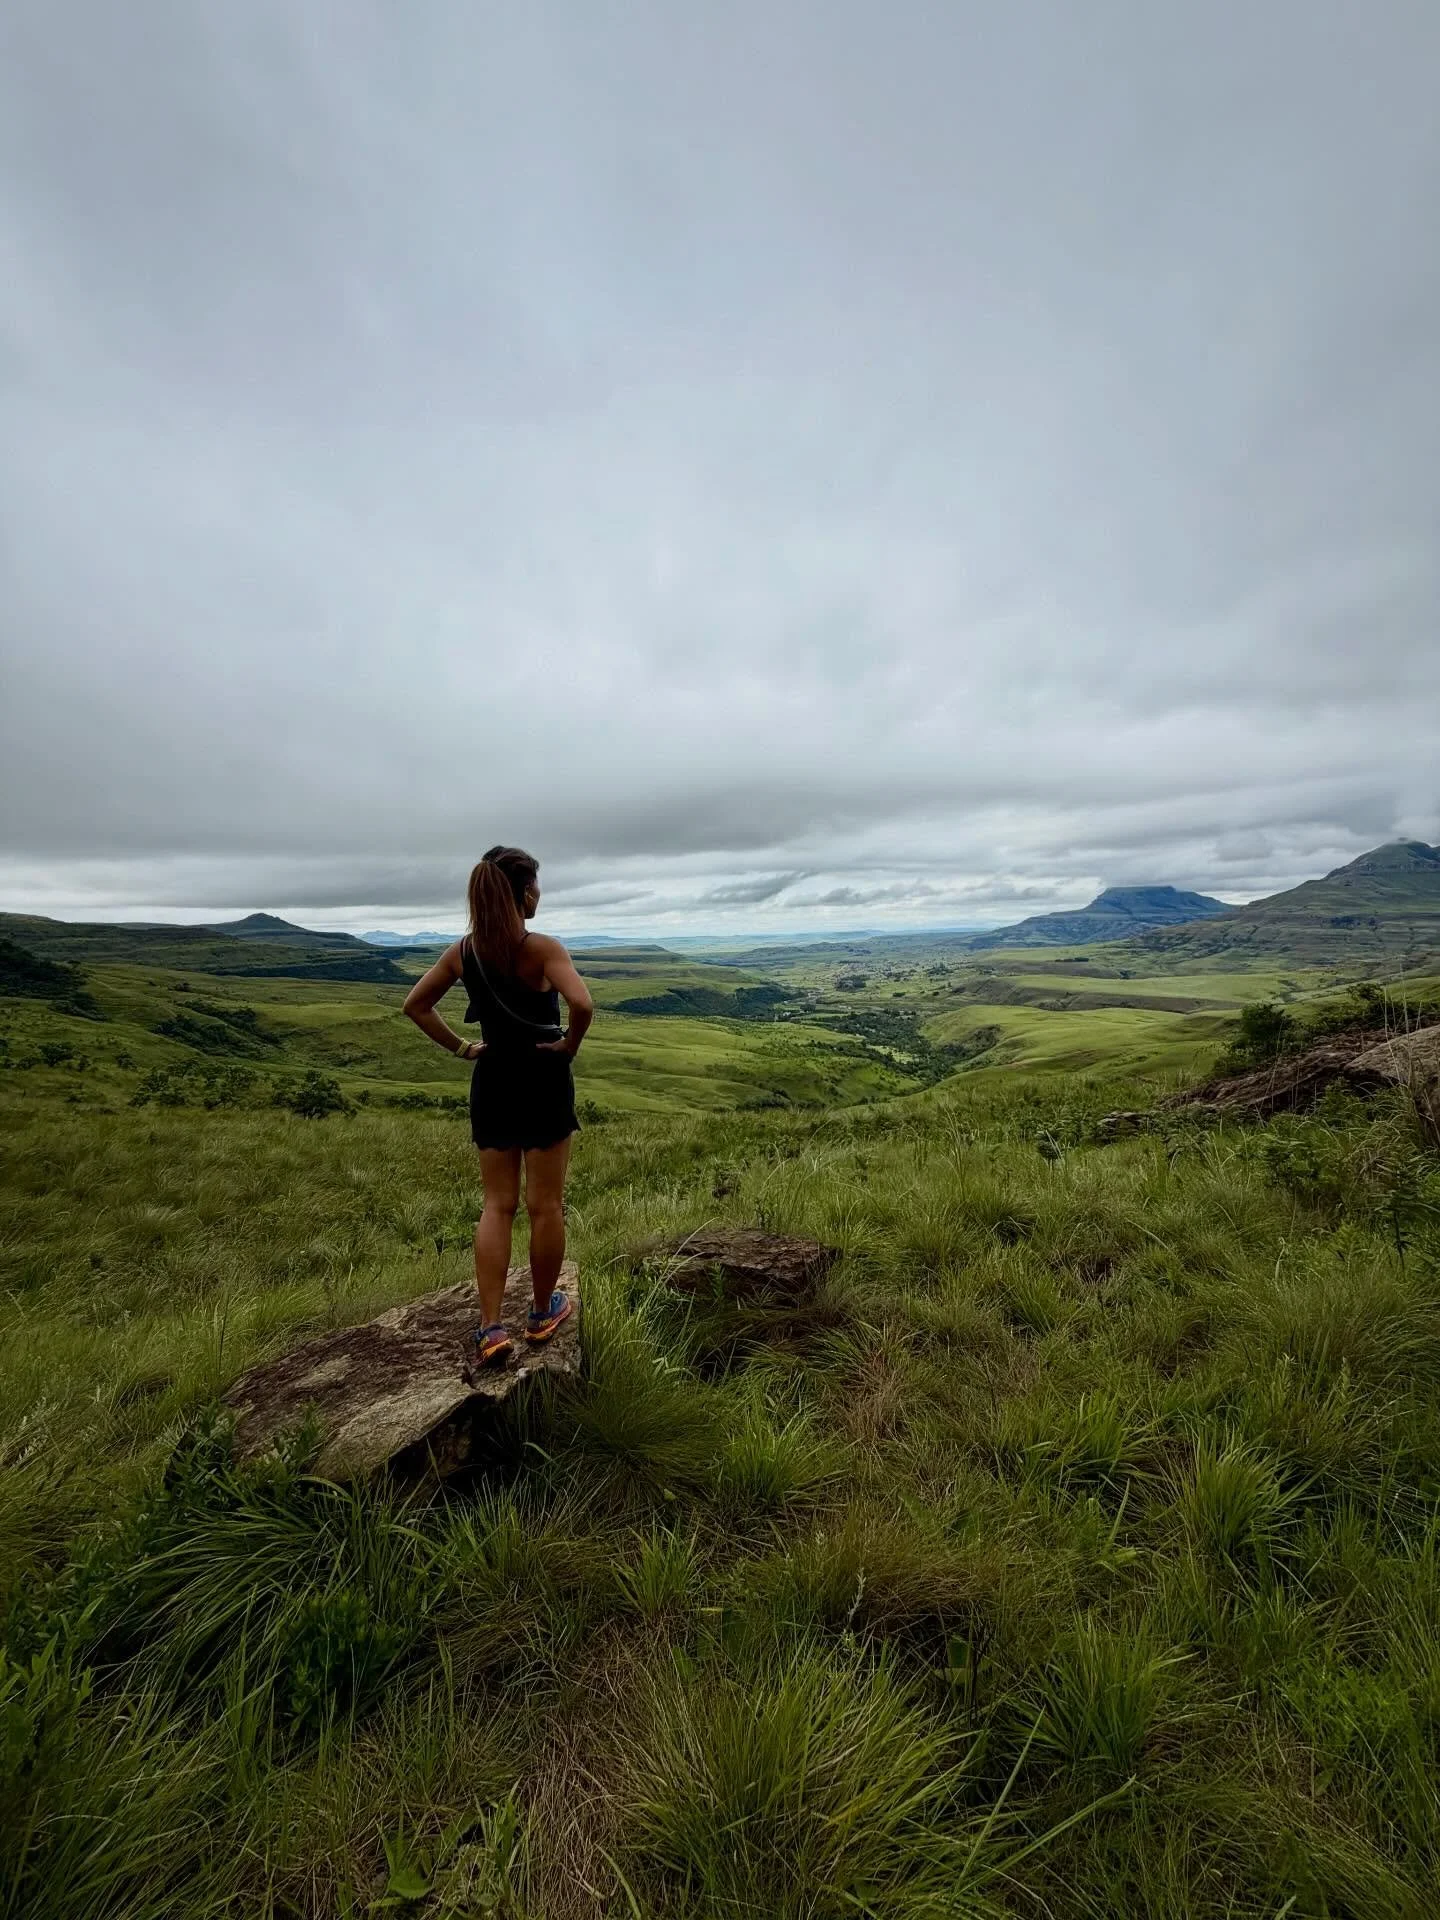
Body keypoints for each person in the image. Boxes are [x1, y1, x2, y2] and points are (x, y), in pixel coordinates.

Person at [402, 846, 593, 1372]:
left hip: (493, 1080)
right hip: (543, 1077)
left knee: (496, 1205)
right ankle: (540, 1312)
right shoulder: (542, 949)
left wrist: (463, 1049)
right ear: (525, 892)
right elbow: (582, 1004)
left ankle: (489, 1328)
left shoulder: (464, 952)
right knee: (545, 1205)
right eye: (537, 885)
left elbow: (415, 1005)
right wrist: (568, 1047)